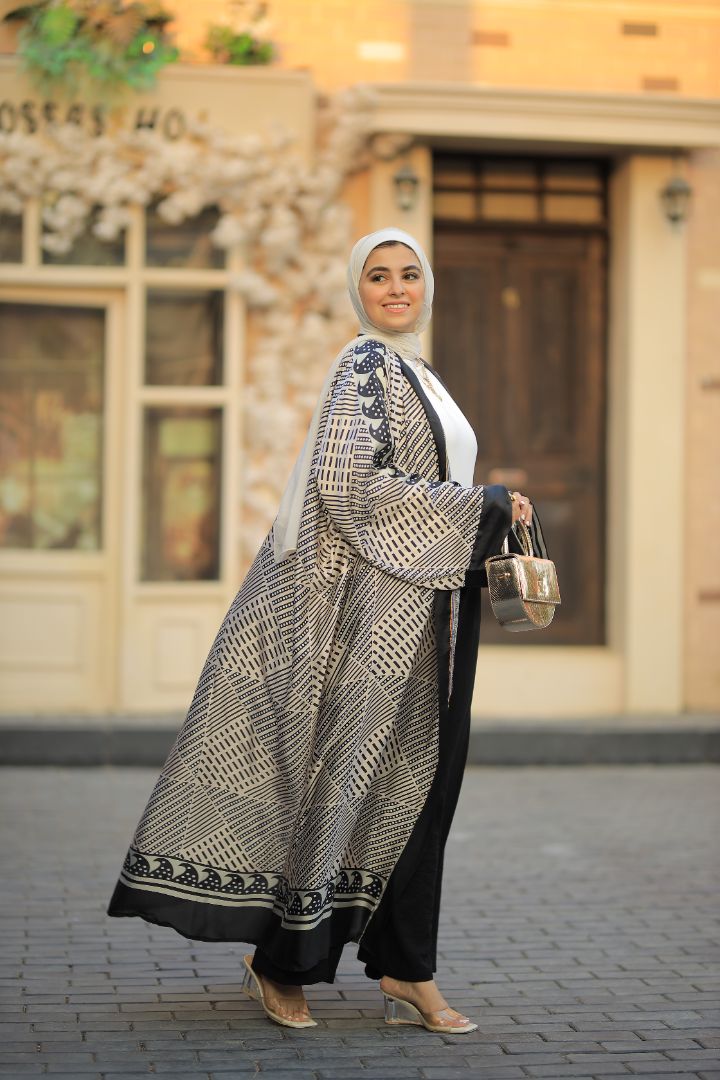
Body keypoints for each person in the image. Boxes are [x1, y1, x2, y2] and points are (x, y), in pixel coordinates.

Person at [108, 226, 542, 1034]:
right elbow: (351, 486)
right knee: (342, 786)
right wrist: (480, 505)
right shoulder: (365, 367)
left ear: (428, 284)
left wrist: (489, 506)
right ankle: (281, 965)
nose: (396, 289)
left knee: (418, 795)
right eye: (378, 277)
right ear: (359, 291)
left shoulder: (419, 372)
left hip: (431, 617)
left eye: (409, 274)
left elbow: (414, 476)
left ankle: (408, 971)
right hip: (369, 628)